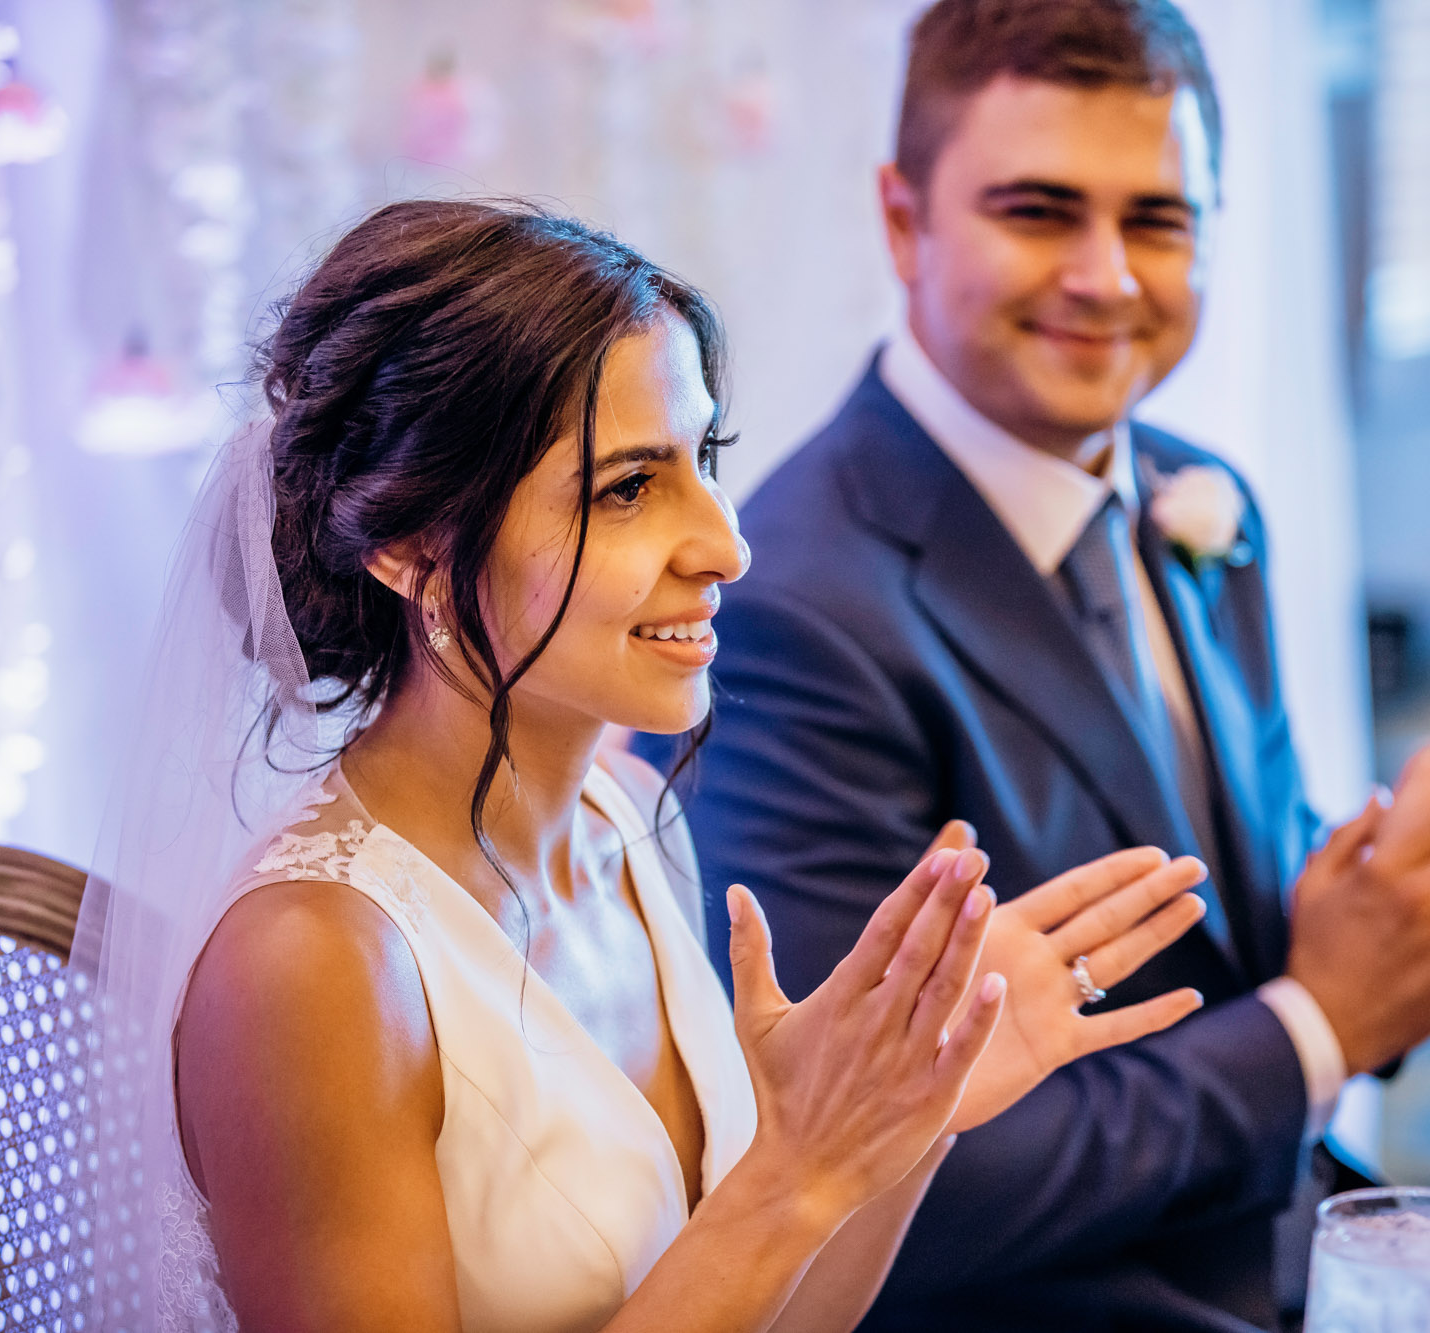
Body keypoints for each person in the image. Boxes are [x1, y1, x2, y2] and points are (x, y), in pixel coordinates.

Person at [74, 199, 1279, 1332]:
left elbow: (788, 1314)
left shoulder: (628, 811)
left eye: (704, 458)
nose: (726, 543)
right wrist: (794, 1172)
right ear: (410, 549)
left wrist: (907, 1115)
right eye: (630, 487)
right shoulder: (315, 965)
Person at [635, 2, 1430, 1329]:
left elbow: (1240, 939)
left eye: (1159, 220)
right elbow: (881, 1169)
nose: (1108, 276)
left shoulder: (1199, 501)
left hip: (1293, 1252)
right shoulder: (792, 610)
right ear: (903, 220)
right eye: (1040, 211)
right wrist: (1323, 1022)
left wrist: (1414, 900)